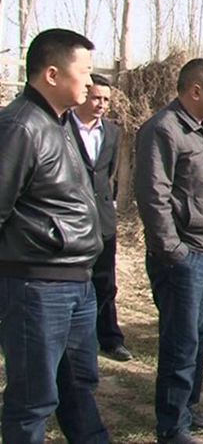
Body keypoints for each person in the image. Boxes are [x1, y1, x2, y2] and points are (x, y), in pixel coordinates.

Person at [0, 28, 109, 443]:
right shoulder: (20, 127)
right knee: (34, 399)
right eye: (84, 71)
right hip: (37, 285)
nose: (91, 82)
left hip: (77, 280)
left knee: (79, 387)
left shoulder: (60, 123)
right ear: (51, 74)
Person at [135, 58, 203, 444]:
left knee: (196, 337)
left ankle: (188, 410)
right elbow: (152, 195)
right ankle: (172, 426)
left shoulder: (199, 130)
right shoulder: (164, 129)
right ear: (195, 90)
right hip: (183, 256)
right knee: (180, 342)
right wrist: (173, 250)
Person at [69, 73, 133, 362]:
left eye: (106, 100)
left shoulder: (111, 132)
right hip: (71, 218)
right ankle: (71, 338)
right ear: (83, 95)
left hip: (103, 219)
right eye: (96, 98)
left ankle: (110, 338)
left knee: (105, 281)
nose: (101, 105)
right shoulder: (62, 127)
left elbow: (107, 175)